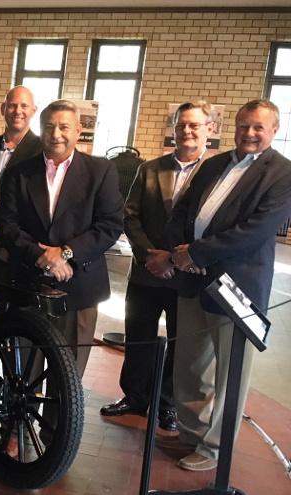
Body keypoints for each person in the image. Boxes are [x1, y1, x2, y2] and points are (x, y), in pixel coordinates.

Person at [160, 99, 291, 471]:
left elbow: (256, 231)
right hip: (193, 279)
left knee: (230, 373)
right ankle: (191, 433)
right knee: (189, 366)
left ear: (274, 130)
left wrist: (196, 253)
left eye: (258, 128)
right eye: (243, 125)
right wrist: (177, 251)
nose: (249, 133)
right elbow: (183, 211)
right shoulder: (215, 163)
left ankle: (215, 448)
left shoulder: (283, 174)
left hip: (237, 288)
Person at [100, 101, 213, 432]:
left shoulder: (215, 173)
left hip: (187, 275)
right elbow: (130, 216)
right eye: (181, 125)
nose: (187, 131)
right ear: (174, 129)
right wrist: (150, 254)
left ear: (210, 129)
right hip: (147, 271)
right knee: (139, 337)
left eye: (194, 125)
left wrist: (177, 259)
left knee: (181, 343)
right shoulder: (150, 169)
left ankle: (166, 404)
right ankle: (134, 398)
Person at [0, 99, 123, 377]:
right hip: (28, 286)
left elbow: (110, 226)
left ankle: (63, 422)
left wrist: (65, 252)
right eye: (50, 127)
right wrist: (41, 255)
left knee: (67, 384)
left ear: (78, 130)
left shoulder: (100, 171)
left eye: (64, 127)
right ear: (41, 130)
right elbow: (7, 225)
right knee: (21, 379)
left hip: (78, 287)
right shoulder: (19, 173)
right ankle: (17, 423)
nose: (56, 134)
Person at [0, 86, 42, 278]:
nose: (18, 111)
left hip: (19, 253)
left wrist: (2, 235)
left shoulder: (42, 152)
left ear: (34, 110)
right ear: (3, 109)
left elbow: (38, 205)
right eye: (12, 106)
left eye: (24, 106)